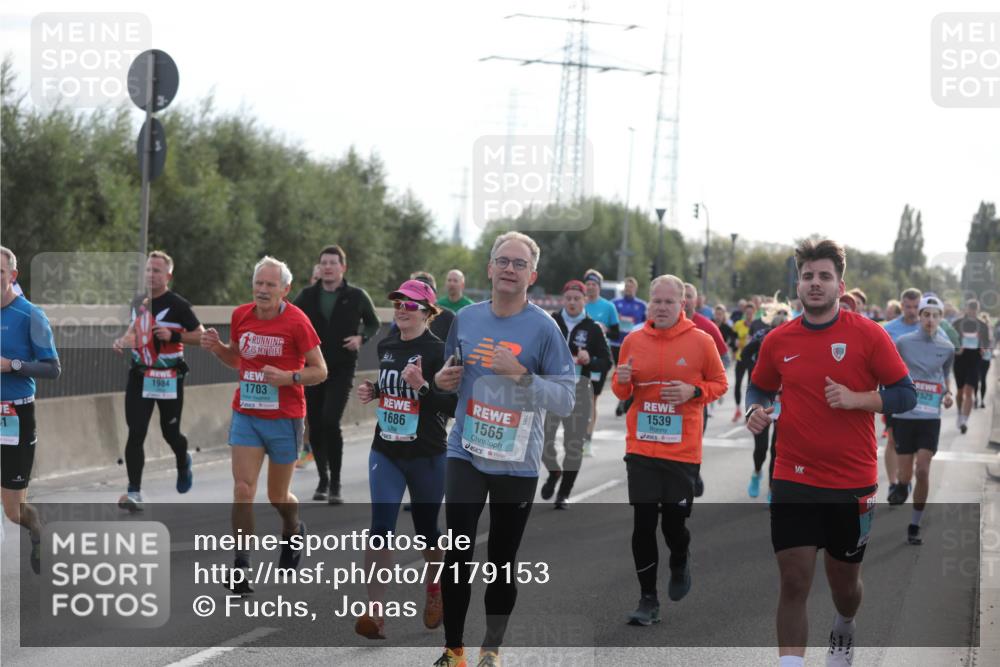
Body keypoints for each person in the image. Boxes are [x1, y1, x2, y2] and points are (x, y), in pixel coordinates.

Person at [745, 238, 915, 667]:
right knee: (793, 580)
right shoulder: (778, 340)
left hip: (851, 481)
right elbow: (759, 386)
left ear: (840, 285)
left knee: (845, 586)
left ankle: (844, 624)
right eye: (808, 276)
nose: (815, 283)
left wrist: (859, 399)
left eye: (824, 276)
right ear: (798, 285)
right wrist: (754, 410)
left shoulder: (869, 335)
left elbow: (905, 393)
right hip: (793, 477)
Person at [431, 231, 575, 667]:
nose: (510, 269)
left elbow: (567, 399)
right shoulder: (466, 319)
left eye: (519, 264)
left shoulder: (545, 329)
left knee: (501, 560)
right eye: (503, 261)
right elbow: (449, 372)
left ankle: (490, 649)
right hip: (466, 450)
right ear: (490, 268)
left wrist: (521, 376)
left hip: (517, 461)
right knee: (458, 550)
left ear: (533, 275)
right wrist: (441, 380)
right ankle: (453, 650)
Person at [201, 256, 328, 592]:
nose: (263, 290)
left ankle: (293, 528)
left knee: (277, 496)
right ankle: (241, 566)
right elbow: (236, 359)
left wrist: (289, 377)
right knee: (243, 489)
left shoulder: (297, 322)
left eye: (271, 285)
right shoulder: (241, 316)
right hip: (247, 413)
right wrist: (217, 348)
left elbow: (320, 370)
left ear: (285, 289)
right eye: (259, 283)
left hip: (285, 418)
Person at [612, 274, 727, 626]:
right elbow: (621, 391)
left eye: (668, 302)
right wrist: (622, 380)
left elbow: (720, 383)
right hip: (641, 448)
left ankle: (680, 558)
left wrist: (693, 392)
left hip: (681, 452)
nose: (661, 307)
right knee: (643, 524)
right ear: (649, 303)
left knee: (673, 527)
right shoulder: (633, 340)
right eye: (656, 301)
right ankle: (648, 599)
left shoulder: (701, 341)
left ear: (682, 304)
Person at [353, 279, 456, 639]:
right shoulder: (387, 344)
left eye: (410, 305)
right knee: (380, 529)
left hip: (427, 454)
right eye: (398, 303)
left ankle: (434, 589)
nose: (401, 310)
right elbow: (390, 388)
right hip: (386, 450)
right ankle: (375, 612)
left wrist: (422, 387)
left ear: (428, 312)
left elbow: (452, 406)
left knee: (427, 531)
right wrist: (375, 390)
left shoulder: (440, 351)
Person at [111, 251, 204, 511]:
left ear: (168, 276)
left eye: (157, 271)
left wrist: (174, 335)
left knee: (169, 432)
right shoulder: (138, 302)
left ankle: (183, 460)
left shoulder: (179, 305)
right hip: (140, 376)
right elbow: (133, 332)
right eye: (148, 270)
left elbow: (201, 336)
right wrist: (122, 342)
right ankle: (134, 492)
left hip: (169, 377)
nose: (151, 275)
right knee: (136, 431)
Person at [293, 245, 380, 504]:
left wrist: (361, 338)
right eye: (324, 263)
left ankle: (336, 483)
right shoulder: (307, 295)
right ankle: (323, 478)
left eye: (333, 263)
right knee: (315, 424)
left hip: (342, 368)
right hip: (312, 368)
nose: (328, 267)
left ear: (343, 267)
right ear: (319, 268)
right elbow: (291, 319)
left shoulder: (357, 296)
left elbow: (374, 323)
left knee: (330, 421)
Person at [0, 246, 61, 574]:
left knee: (14, 511)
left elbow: (52, 368)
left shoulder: (30, 315)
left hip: (15, 417)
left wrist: (13, 365)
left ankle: (36, 527)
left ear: (12, 275)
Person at [890, 294, 954, 544]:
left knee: (923, 470)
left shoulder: (947, 348)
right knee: (905, 474)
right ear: (920, 316)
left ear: (940, 319)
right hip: (905, 415)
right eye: (926, 315)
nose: (930, 320)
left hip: (930, 416)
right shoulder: (903, 343)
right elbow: (892, 370)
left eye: (935, 316)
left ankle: (914, 525)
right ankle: (902, 485)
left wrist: (948, 394)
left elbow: (945, 377)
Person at [541, 280, 611, 509]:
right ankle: (554, 471)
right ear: (563, 300)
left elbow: (606, 361)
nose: (572, 302)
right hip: (552, 390)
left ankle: (563, 494)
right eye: (568, 298)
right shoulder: (551, 322)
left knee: (573, 445)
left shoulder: (593, 328)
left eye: (577, 299)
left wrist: (590, 360)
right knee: (543, 441)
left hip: (579, 392)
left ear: (584, 300)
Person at [740, 301, 791, 501]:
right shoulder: (763, 336)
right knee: (761, 447)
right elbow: (744, 354)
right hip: (764, 396)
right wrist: (756, 370)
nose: (783, 319)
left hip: (782, 398)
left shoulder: (795, 338)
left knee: (777, 448)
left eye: (786, 316)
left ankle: (772, 487)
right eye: (780, 315)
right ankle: (756, 472)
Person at [881, 288, 923, 501]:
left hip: (920, 392)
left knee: (911, 443)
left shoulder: (928, 327)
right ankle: (893, 484)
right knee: (892, 439)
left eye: (916, 307)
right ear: (901, 305)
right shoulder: (889, 329)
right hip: (893, 390)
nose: (912, 311)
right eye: (908, 306)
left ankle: (904, 477)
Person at [581, 269, 620, 455]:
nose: (590, 287)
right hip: (579, 358)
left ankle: (587, 440)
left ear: (599, 287)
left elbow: (616, 333)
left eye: (594, 284)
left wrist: (604, 329)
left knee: (591, 400)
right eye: (588, 284)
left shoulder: (608, 307)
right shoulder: (578, 303)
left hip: (598, 360)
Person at [951, 299, 990, 434]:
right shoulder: (957, 323)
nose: (972, 311)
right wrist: (957, 348)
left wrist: (983, 348)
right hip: (960, 359)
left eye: (975, 309)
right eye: (970, 309)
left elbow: (987, 343)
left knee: (969, 391)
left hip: (975, 360)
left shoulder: (983, 325)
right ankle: (959, 413)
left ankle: (964, 421)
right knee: (960, 391)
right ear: (966, 309)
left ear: (978, 310)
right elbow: (950, 340)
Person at [612, 277, 647, 417]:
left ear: (635, 289)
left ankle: (625, 399)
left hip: (634, 345)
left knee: (632, 373)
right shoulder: (615, 303)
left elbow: (647, 324)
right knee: (619, 372)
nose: (628, 289)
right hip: (617, 343)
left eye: (631, 287)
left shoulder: (642, 305)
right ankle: (622, 397)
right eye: (627, 287)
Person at [732, 302, 766, 422]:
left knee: (749, 386)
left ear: (754, 313)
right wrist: (735, 344)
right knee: (738, 384)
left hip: (752, 359)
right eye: (747, 313)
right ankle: (737, 409)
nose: (749, 315)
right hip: (740, 358)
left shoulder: (757, 325)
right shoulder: (738, 324)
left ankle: (749, 412)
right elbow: (733, 338)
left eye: (751, 313)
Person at [977, 312, 993, 409]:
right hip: (986, 357)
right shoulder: (989, 330)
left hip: (979, 356)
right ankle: (981, 401)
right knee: (983, 379)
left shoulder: (977, 328)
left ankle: (976, 399)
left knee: (977, 379)